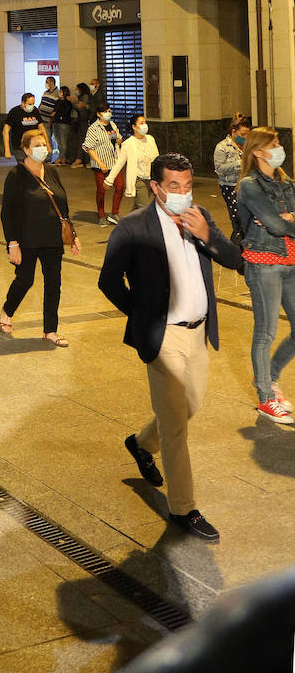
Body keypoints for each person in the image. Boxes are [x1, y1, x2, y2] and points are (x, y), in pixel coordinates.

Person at [99, 152, 243, 541]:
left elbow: (236, 261)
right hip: (164, 339)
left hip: (199, 333)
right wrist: (143, 317)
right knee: (177, 426)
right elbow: (108, 281)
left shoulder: (199, 217)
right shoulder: (132, 228)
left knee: (189, 406)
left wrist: (207, 236)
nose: (182, 193)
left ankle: (141, 443)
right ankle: (184, 508)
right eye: (174, 187)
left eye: (188, 186)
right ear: (156, 187)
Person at [0, 128, 81, 345]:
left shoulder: (52, 171)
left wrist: (73, 235)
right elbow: (7, 212)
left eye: (43, 144)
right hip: (26, 238)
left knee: (54, 282)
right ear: (25, 149)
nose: (42, 149)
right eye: (36, 146)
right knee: (25, 280)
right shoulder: (16, 175)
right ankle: (7, 310)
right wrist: (12, 243)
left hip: (52, 238)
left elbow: (62, 206)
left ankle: (50, 330)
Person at [235, 128, 295, 425]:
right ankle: (265, 398)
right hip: (264, 264)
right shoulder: (249, 185)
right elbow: (275, 225)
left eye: (278, 143)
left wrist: (288, 220)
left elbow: (282, 223)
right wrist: (283, 220)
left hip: (291, 261)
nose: (279, 148)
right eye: (273, 144)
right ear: (257, 151)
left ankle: (269, 378)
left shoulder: (286, 182)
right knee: (266, 332)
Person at [106, 113, 160, 211]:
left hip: (152, 179)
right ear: (134, 127)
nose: (145, 125)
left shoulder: (150, 139)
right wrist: (109, 180)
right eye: (141, 123)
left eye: (145, 122)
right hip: (139, 180)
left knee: (137, 211)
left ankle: (129, 224)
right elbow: (119, 163)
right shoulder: (128, 144)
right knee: (146, 209)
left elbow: (157, 159)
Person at [81, 104, 123, 227]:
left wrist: (119, 140)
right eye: (105, 112)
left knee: (120, 186)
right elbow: (88, 147)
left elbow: (118, 137)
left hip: (115, 162)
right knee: (101, 190)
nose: (108, 114)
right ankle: (101, 215)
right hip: (101, 164)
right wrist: (100, 162)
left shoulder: (113, 125)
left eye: (109, 111)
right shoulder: (93, 128)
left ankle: (115, 213)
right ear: (99, 114)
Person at [214, 113, 252, 237]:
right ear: (233, 131)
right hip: (230, 186)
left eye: (248, 134)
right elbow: (219, 169)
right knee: (238, 220)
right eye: (242, 135)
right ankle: (236, 248)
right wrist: (239, 164)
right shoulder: (222, 147)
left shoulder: (248, 145)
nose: (245, 137)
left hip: (247, 185)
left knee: (248, 220)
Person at [2, 93, 42, 161]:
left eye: (33, 103)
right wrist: (7, 150)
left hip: (34, 146)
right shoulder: (14, 112)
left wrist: (47, 144)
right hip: (19, 147)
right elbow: (5, 130)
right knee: (24, 166)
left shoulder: (35, 111)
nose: (32, 106)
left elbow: (41, 128)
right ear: (23, 103)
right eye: (29, 104)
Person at [68, 81, 91, 166]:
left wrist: (74, 102)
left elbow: (81, 107)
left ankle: (81, 158)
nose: (76, 91)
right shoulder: (81, 97)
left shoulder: (85, 97)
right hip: (80, 121)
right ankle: (82, 158)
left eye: (77, 89)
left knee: (82, 139)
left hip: (83, 121)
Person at [38, 75, 59, 159]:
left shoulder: (57, 93)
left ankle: (49, 157)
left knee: (49, 138)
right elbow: (41, 103)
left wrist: (50, 121)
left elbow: (56, 108)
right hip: (42, 118)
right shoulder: (45, 92)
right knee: (44, 138)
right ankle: (44, 155)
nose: (46, 83)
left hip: (50, 120)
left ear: (52, 82)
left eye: (47, 82)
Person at [53, 85, 74, 164]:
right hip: (56, 122)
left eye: (61, 92)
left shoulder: (68, 102)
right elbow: (55, 110)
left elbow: (65, 112)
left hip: (64, 123)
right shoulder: (57, 101)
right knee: (58, 141)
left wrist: (56, 113)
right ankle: (63, 158)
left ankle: (60, 157)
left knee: (63, 141)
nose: (59, 93)